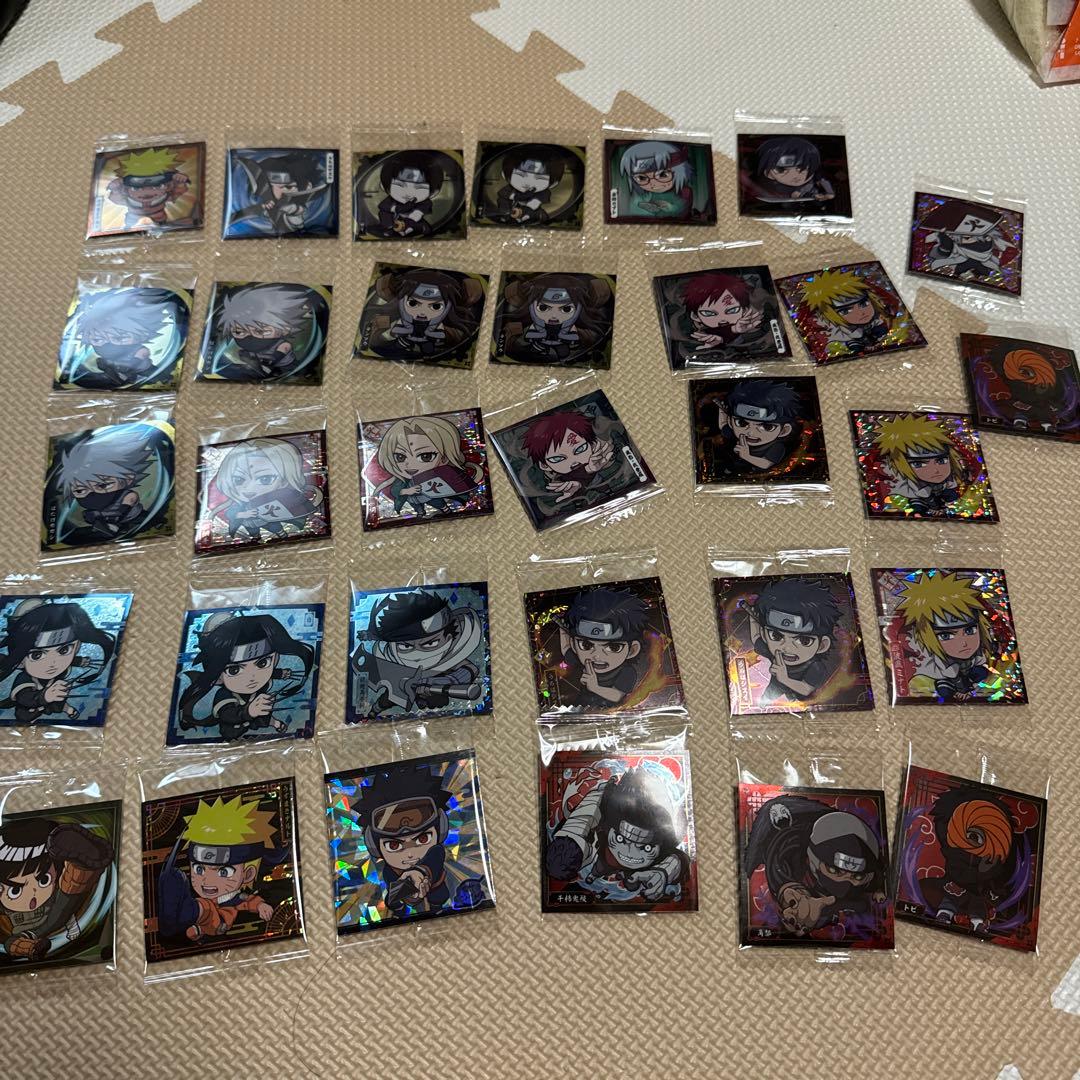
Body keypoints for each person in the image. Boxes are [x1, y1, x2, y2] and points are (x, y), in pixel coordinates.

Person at [744, 795, 886, 935]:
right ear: (812, 858)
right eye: (834, 870)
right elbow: (779, 856)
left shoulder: (869, 881)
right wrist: (792, 893)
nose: (844, 882)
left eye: (857, 876)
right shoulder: (791, 850)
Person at [546, 766, 689, 901]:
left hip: (640, 872)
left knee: (632, 883)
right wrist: (570, 848)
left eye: (646, 847)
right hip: (605, 858)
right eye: (621, 839)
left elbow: (679, 858)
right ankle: (595, 874)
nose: (630, 853)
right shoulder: (604, 808)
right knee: (600, 867)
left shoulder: (667, 838)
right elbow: (582, 818)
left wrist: (663, 872)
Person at [176, 612, 315, 739]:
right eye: (234, 670)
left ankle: (274, 723)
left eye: (262, 663)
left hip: (256, 717)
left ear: (275, 659)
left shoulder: (260, 682)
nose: (251, 677)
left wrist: (282, 673)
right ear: (217, 677)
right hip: (233, 732)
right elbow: (227, 715)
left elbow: (270, 673)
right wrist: (248, 711)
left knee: (264, 712)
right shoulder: (224, 695)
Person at [351, 590, 483, 717]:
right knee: (389, 697)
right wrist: (370, 635)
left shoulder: (449, 657)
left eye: (430, 643)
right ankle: (374, 711)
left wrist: (439, 681)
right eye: (405, 646)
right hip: (403, 684)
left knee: (437, 700)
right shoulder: (395, 659)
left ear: (448, 637)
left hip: (435, 689)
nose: (417, 652)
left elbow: (470, 669)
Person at [0, 599, 116, 724]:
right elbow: (24, 698)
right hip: (29, 711)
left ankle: (67, 709)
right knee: (26, 716)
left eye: (64, 650)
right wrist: (44, 696)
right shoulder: (24, 679)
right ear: (20, 660)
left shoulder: (58, 667)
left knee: (59, 699)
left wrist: (79, 661)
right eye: (37, 655)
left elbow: (68, 661)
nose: (52, 663)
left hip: (53, 692)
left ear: (77, 647)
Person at [371, 415, 485, 518]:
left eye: (425, 456)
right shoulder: (401, 479)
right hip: (413, 499)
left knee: (437, 502)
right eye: (400, 457)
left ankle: (445, 509)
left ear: (444, 458)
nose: (410, 465)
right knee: (417, 507)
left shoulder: (443, 473)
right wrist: (406, 491)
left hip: (429, 496)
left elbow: (459, 485)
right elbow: (394, 489)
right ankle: (421, 513)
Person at [555, 587, 650, 709]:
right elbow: (566, 648)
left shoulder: (626, 672)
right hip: (583, 709)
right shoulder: (583, 661)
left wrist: (595, 687)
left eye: (613, 647)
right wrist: (562, 627)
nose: (597, 655)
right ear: (574, 645)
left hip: (613, 712)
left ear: (632, 650)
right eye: (586, 645)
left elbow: (617, 696)